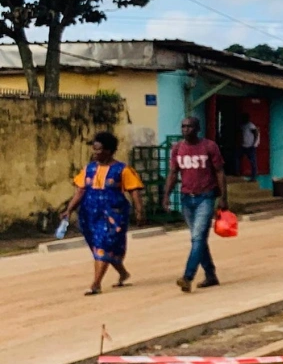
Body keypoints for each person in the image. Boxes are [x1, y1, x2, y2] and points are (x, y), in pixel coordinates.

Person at [61, 132, 145, 295]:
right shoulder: (89, 169)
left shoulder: (123, 170)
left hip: (114, 214)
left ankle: (96, 284)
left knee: (104, 244)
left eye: (99, 150)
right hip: (90, 214)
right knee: (98, 246)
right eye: (94, 149)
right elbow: (80, 191)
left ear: (109, 150)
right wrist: (69, 209)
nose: (96, 153)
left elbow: (134, 191)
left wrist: (139, 211)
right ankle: (123, 273)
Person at [163, 116, 227, 293]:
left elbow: (220, 172)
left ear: (197, 128)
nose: (185, 130)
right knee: (199, 239)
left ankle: (187, 276)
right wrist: (166, 195)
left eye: (190, 126)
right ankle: (211, 275)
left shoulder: (209, 146)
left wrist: (223, 198)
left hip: (205, 197)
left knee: (197, 238)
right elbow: (173, 173)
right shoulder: (177, 148)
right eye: (183, 126)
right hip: (186, 198)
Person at [239, 112, 260, 180]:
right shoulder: (242, 125)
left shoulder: (251, 125)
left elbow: (256, 133)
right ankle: (237, 173)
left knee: (253, 162)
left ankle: (253, 177)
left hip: (250, 146)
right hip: (243, 146)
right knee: (237, 157)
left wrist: (254, 144)